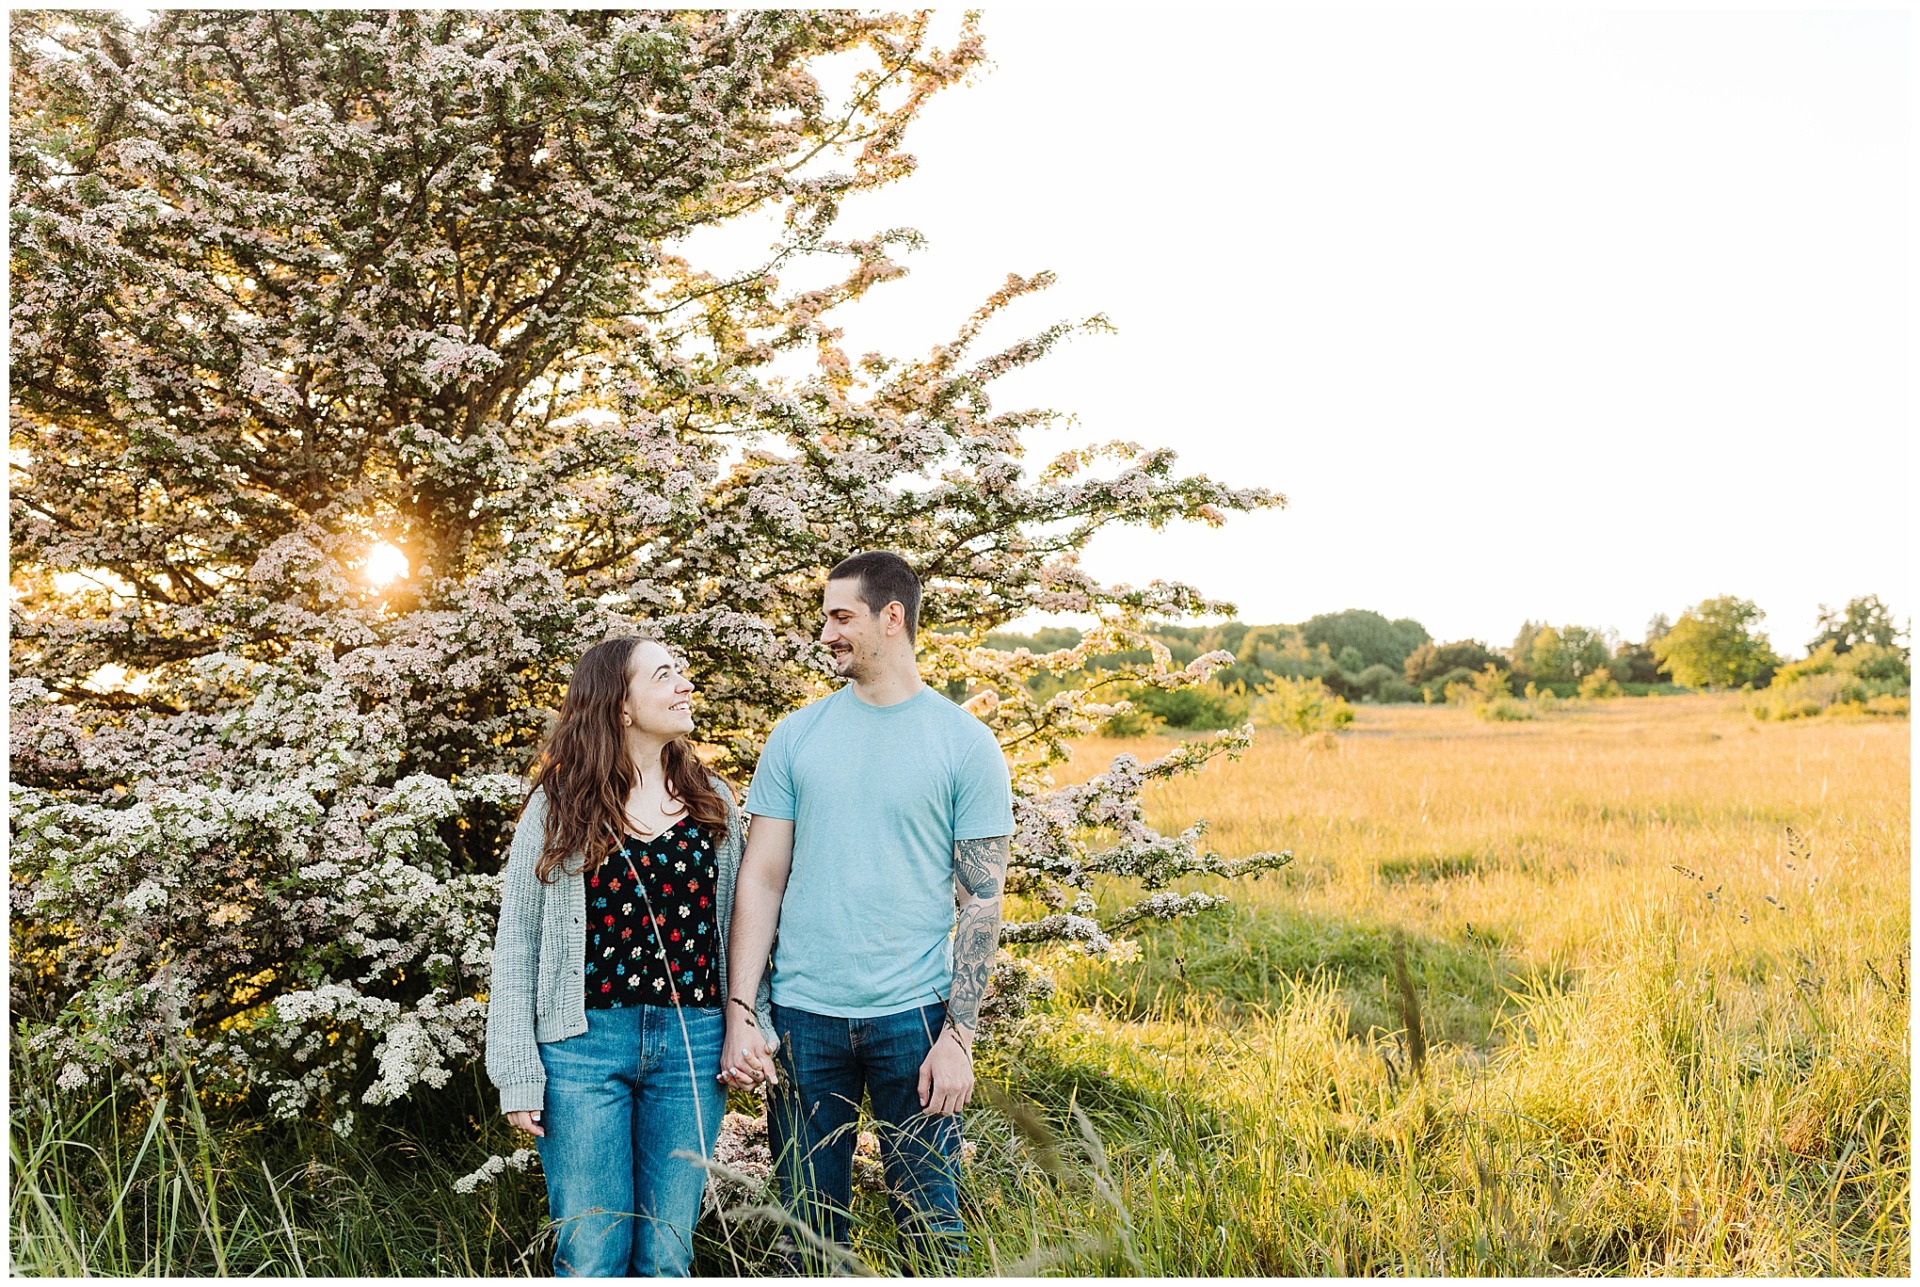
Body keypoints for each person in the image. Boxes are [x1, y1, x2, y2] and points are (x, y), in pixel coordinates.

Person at [719, 551, 1014, 1273]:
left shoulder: (965, 744)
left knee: (930, 1226)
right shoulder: (796, 736)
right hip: (802, 1018)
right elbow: (760, 878)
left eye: (840, 616)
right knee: (805, 1235)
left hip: (913, 1021)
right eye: (825, 617)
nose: (826, 633)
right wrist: (742, 1010)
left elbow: (982, 899)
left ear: (892, 617)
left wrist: (960, 1038)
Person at [485, 635, 776, 1277]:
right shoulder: (557, 804)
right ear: (619, 703)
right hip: (583, 1046)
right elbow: (519, 944)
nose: (686, 686)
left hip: (692, 1045)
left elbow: (744, 928)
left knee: (666, 1257)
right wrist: (516, 1069)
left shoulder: (714, 801)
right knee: (592, 1255)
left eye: (684, 674)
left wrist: (749, 1023)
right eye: (666, 676)